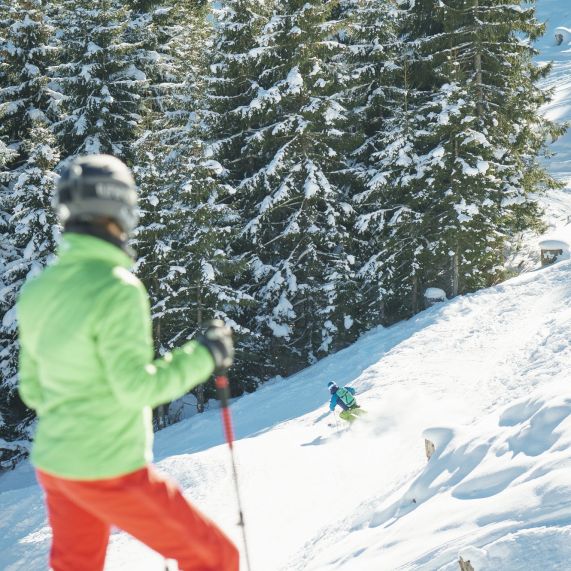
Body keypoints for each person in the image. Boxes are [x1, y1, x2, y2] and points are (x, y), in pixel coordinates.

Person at [17, 155, 239, 571]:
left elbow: (31, 388)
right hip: (109, 468)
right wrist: (205, 354)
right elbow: (137, 388)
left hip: (57, 467)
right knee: (214, 557)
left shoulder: (39, 290)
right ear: (121, 209)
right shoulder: (117, 289)